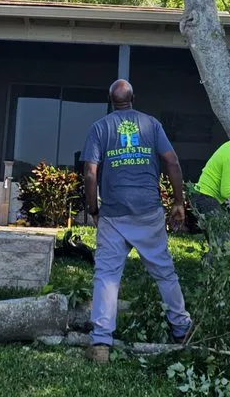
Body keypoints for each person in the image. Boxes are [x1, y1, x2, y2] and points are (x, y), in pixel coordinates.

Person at [82, 79, 192, 364]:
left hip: (114, 214)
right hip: (148, 211)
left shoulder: (99, 128)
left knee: (107, 275)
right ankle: (181, 329)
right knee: (165, 272)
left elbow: (91, 173)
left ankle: (101, 344)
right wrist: (178, 202)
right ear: (133, 99)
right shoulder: (151, 125)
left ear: (110, 100)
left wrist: (94, 210)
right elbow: (173, 162)